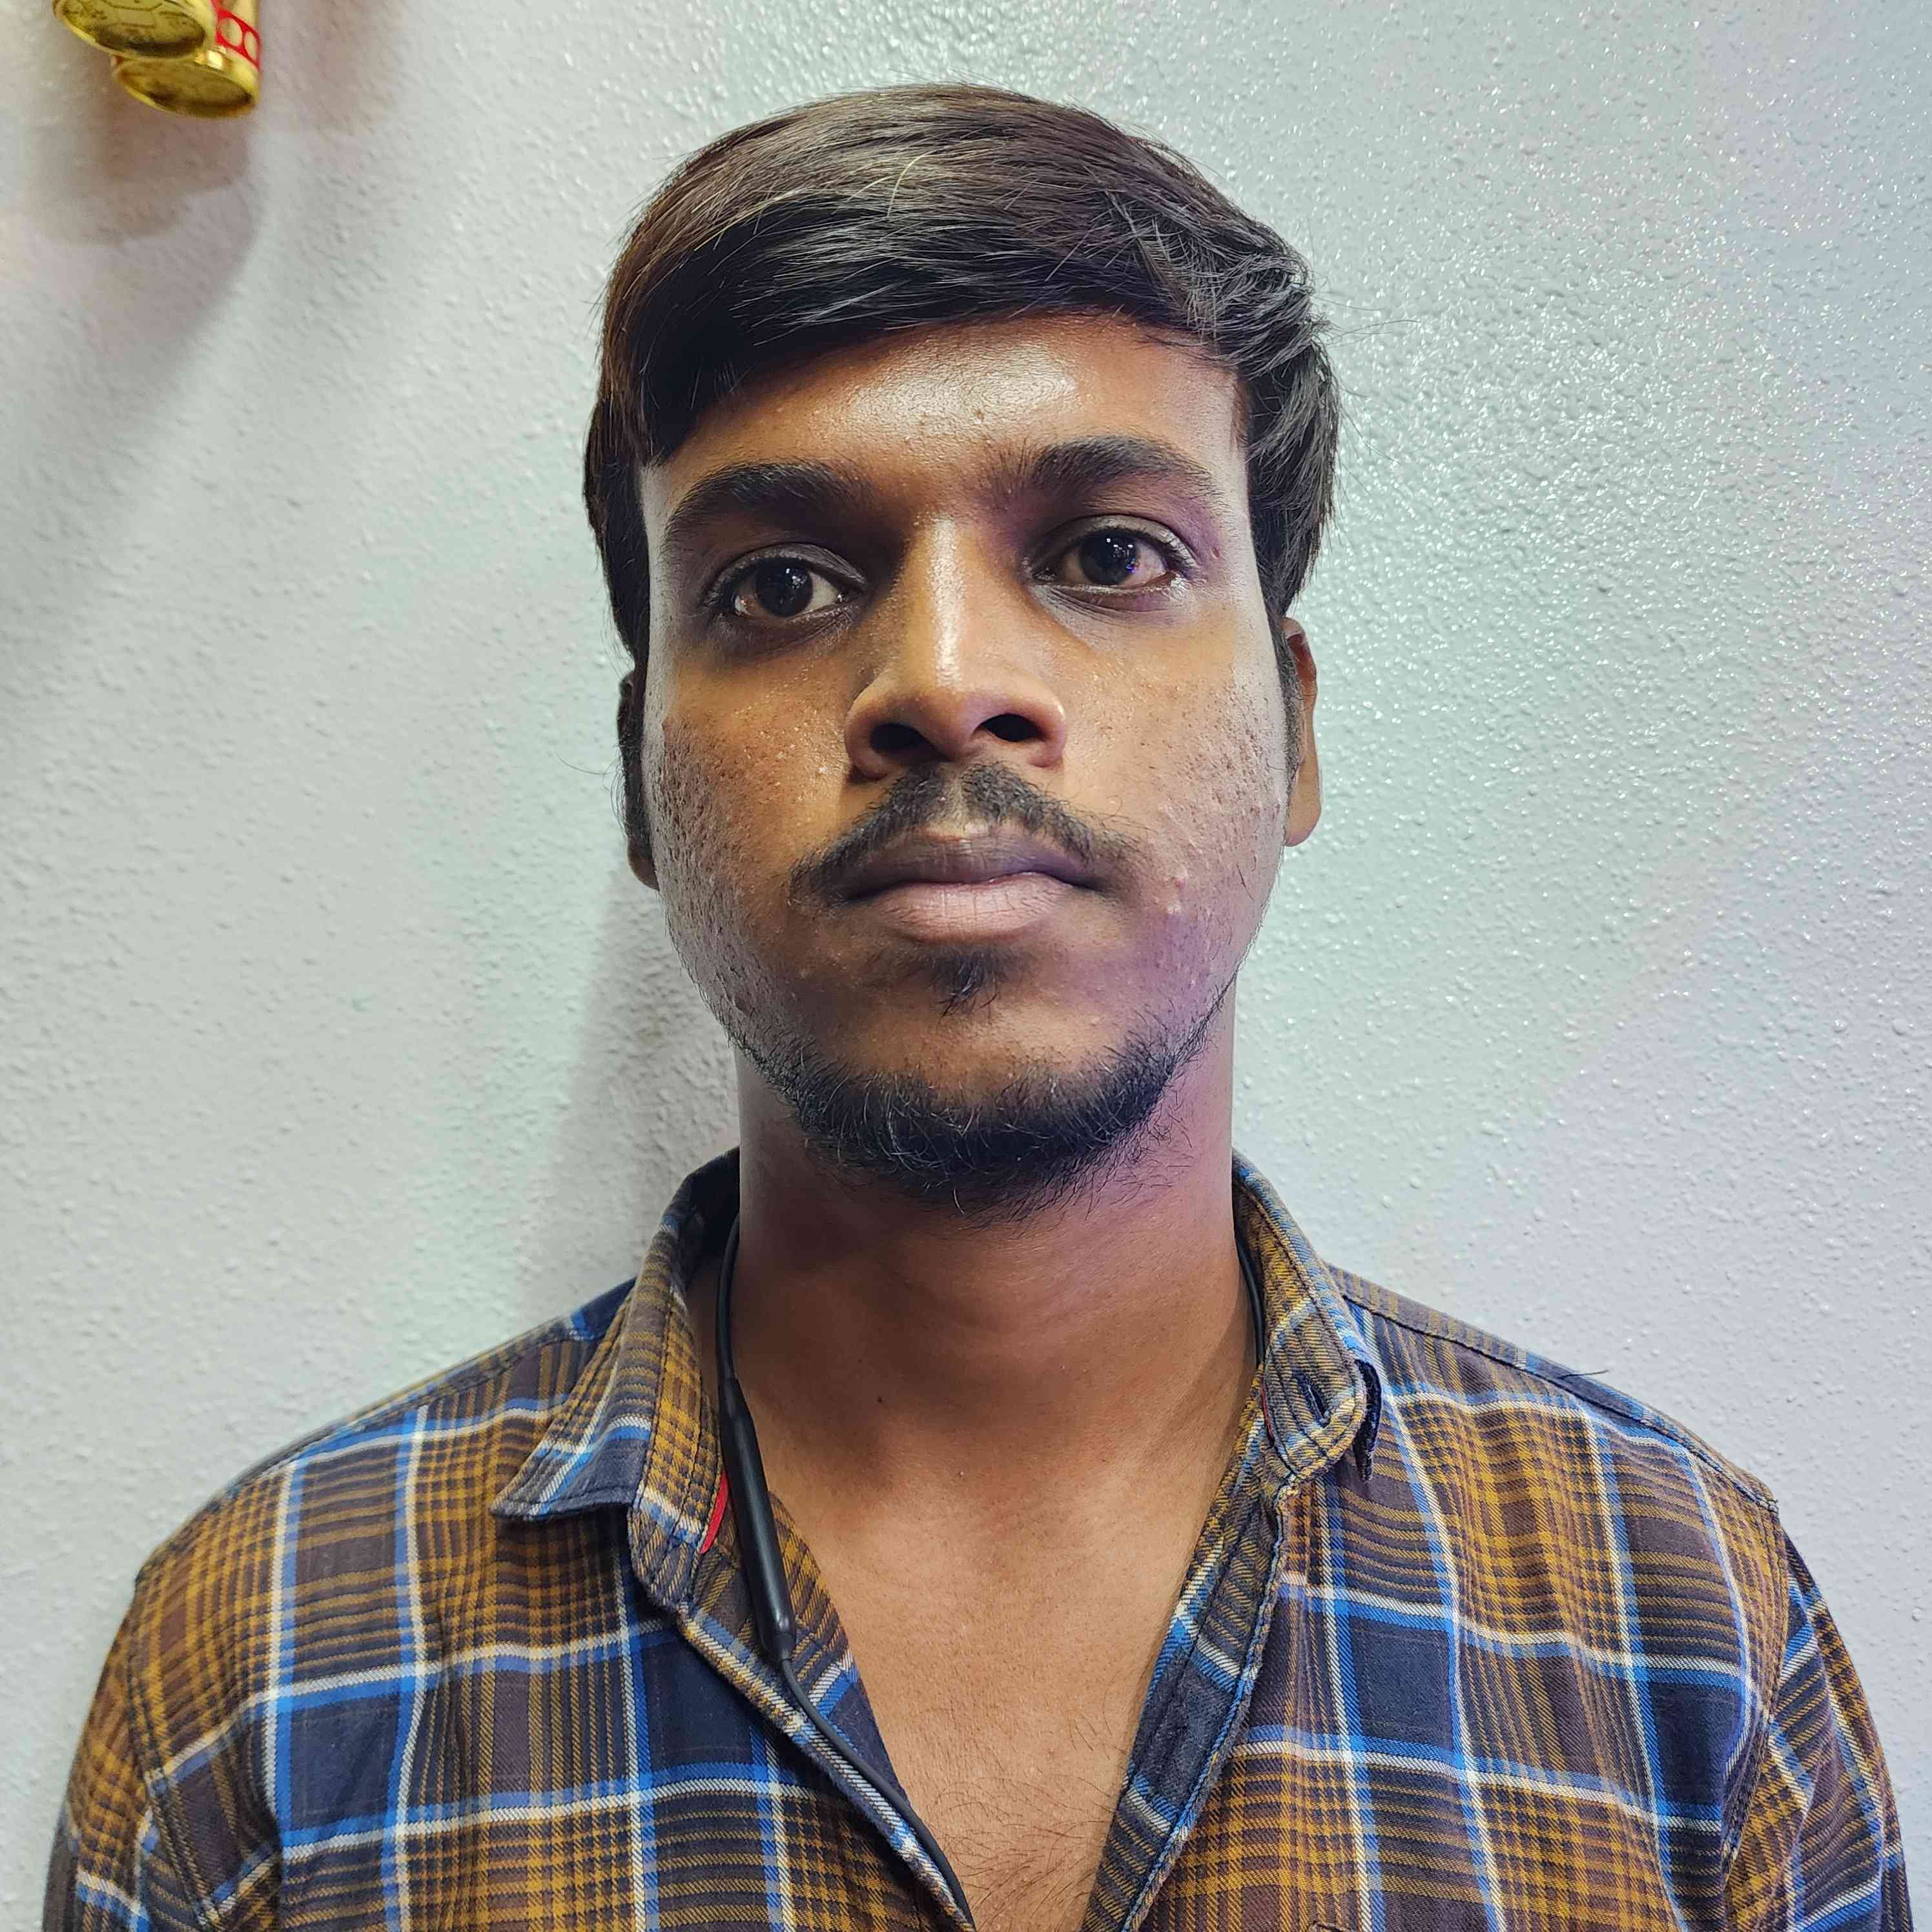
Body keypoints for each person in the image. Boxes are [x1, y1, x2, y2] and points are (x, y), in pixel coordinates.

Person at [46, 79, 1911, 1932]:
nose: (944, 680)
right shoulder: (270, 1676)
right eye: (781, 583)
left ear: (1293, 730)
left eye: (1109, 554)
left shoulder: (1686, 1633)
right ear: (638, 782)